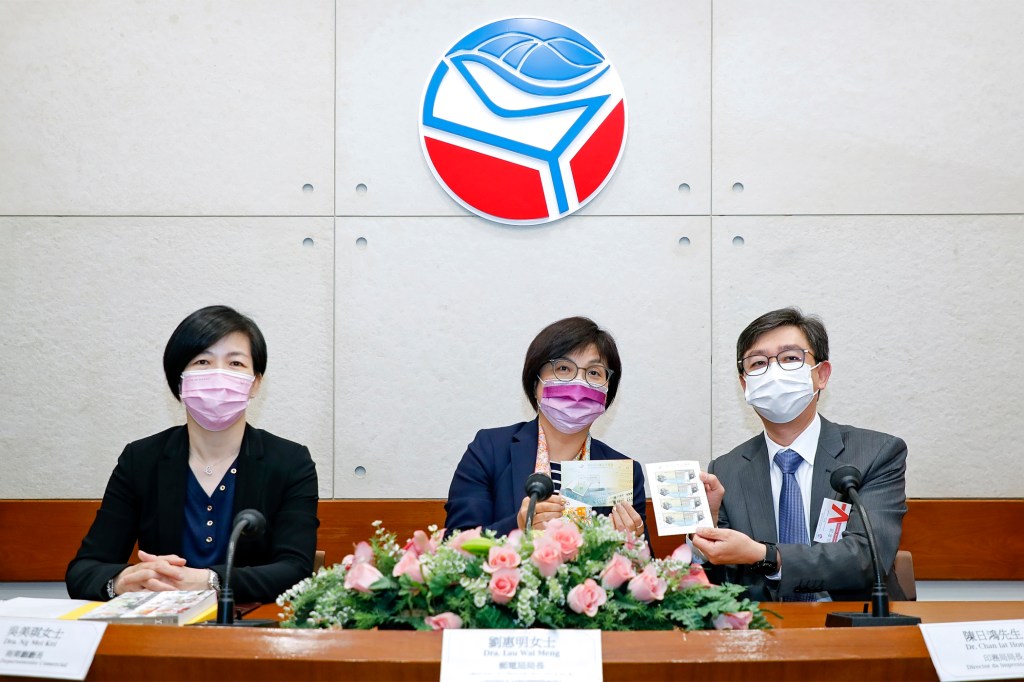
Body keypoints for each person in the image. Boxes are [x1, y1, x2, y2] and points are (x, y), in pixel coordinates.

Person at [66, 306, 319, 603]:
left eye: (235, 363)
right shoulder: (140, 459)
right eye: (202, 361)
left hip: (249, 623)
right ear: (179, 380)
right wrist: (121, 581)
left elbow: (296, 570)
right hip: (163, 622)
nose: (219, 374)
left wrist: (209, 581)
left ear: (255, 383)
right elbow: (84, 570)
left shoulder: (290, 462)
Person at [692, 307, 908, 601]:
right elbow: (721, 585)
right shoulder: (726, 470)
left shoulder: (874, 453)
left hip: (853, 622)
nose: (774, 372)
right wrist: (708, 527)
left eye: (790, 358)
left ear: (821, 374)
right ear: (745, 385)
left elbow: (867, 559)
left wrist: (766, 556)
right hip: (764, 625)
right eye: (758, 363)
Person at [445, 317, 646, 537]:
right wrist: (518, 526)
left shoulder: (624, 473)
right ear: (535, 383)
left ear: (607, 392)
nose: (579, 383)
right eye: (563, 368)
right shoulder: (489, 449)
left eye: (594, 372)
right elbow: (454, 543)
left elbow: (646, 557)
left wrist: (632, 542)